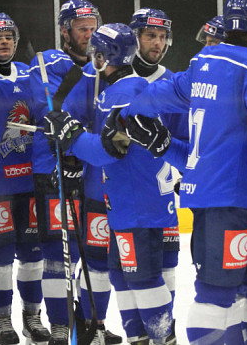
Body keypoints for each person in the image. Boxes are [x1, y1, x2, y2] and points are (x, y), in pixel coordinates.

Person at [122, 0, 247, 344]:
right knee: (217, 293)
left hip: (244, 199)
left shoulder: (203, 63)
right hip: (228, 202)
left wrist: (133, 118)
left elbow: (158, 98)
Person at [46, 23, 177, 345]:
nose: (92, 57)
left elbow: (109, 151)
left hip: (138, 205)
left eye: (95, 52)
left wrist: (71, 136)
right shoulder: (134, 87)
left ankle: (164, 340)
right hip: (134, 201)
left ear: (103, 56)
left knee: (143, 279)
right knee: (120, 275)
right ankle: (141, 339)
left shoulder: (121, 93)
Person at [26, 0, 102, 344]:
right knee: (58, 254)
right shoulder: (46, 61)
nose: (89, 34)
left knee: (95, 254)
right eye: (82, 28)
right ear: (65, 31)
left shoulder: (107, 62)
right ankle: (60, 323)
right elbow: (50, 110)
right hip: (54, 170)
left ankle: (91, 323)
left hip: (96, 170)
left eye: (93, 28)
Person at [0, 13, 49, 345]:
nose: (4, 42)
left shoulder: (33, 76)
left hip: (30, 184)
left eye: (8, 36)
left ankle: (32, 315)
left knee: (33, 256)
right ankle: (1, 318)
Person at [128, 7, 182, 304]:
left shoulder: (173, 82)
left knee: (167, 266)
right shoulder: (115, 76)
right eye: (150, 36)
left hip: (160, 192)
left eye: (162, 37)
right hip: (121, 190)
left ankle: (164, 330)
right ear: (135, 37)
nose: (157, 43)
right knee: (118, 269)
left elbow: (183, 137)